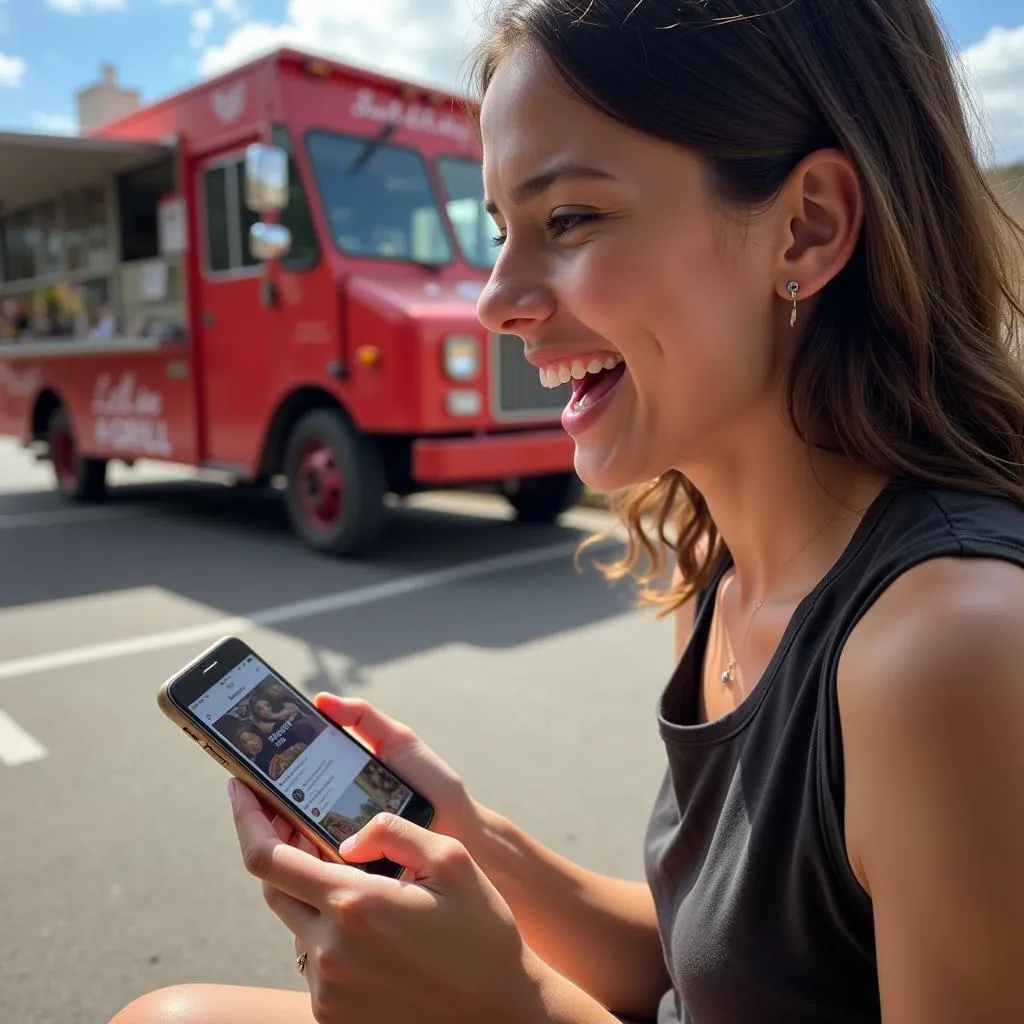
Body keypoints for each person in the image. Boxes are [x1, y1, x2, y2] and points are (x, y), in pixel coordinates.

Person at [111, 1, 1024, 1022]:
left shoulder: (956, 648)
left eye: (570, 220)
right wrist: (468, 835)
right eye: (499, 229)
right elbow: (714, 966)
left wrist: (504, 1005)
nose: (496, 299)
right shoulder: (724, 574)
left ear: (805, 227)